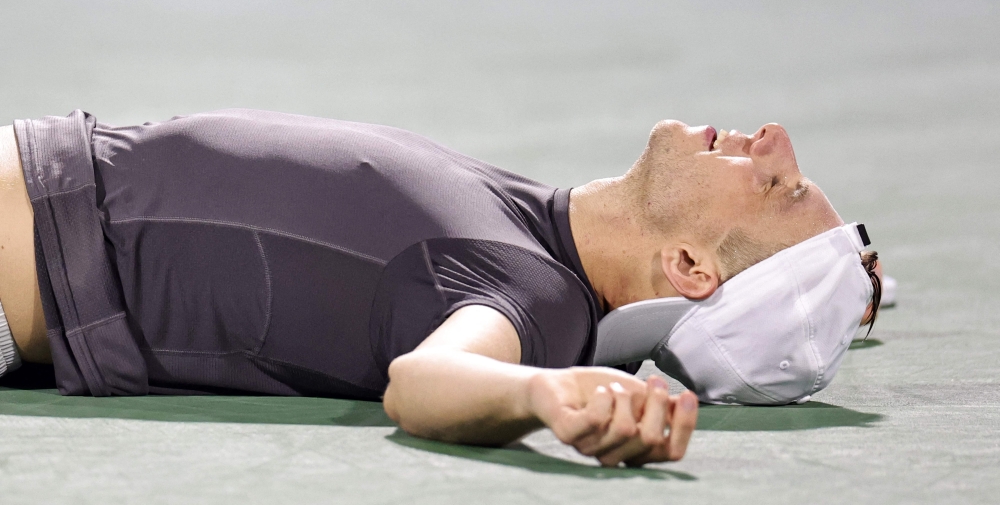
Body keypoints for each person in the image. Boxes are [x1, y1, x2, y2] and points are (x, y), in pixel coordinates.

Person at [0, 109, 880, 467]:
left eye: (778, 188)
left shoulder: (538, 297)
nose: (773, 141)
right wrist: (846, 294)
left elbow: (425, 383)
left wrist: (540, 393)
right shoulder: (541, 227)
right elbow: (747, 319)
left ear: (690, 268)